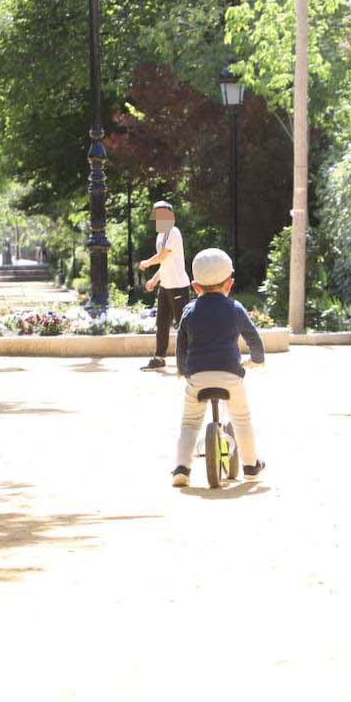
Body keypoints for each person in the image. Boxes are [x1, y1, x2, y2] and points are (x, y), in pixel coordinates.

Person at [170, 248, 266, 487]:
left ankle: (182, 468)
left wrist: (182, 369)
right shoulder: (235, 308)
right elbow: (254, 339)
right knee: (241, 418)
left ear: (195, 287)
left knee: (190, 422)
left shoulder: (189, 311)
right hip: (230, 375)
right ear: (230, 284)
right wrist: (256, 359)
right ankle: (251, 465)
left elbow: (181, 344)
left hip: (198, 376)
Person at [137, 200, 191, 371]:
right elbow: (165, 262)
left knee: (184, 325)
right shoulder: (161, 235)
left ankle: (189, 360)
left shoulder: (172, 232)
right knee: (161, 324)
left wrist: (146, 262)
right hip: (165, 286)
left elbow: (162, 256)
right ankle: (159, 358)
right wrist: (155, 280)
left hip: (178, 286)